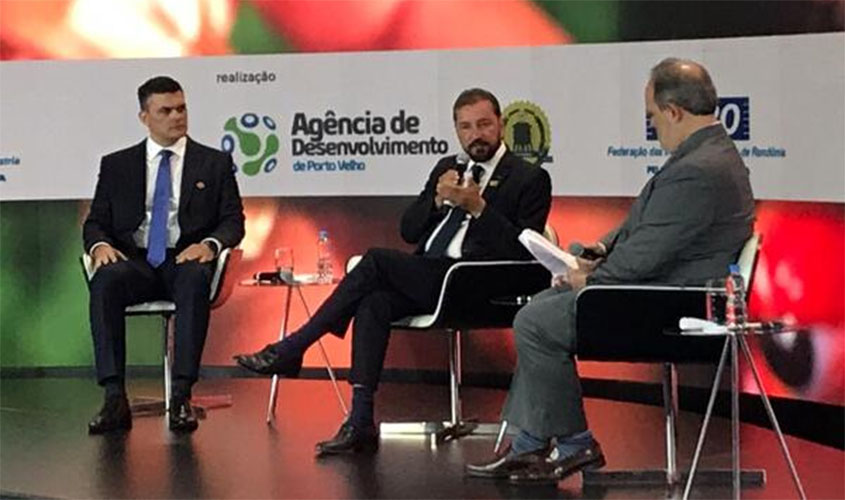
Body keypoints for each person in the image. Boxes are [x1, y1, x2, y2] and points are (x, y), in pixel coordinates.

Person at [466, 58, 755, 483]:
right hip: (660, 291)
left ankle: (573, 443)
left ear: (674, 111)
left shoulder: (699, 170)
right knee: (542, 307)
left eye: (653, 117)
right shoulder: (705, 155)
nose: (652, 127)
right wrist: (600, 249)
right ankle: (530, 443)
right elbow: (646, 224)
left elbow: (647, 256)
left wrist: (591, 279)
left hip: (670, 308)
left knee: (535, 321)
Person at [235, 88, 552, 456]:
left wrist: (478, 208)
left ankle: (293, 346)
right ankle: (360, 421)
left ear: (501, 123)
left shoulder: (529, 178)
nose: (475, 135)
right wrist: (437, 199)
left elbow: (523, 251)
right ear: (456, 130)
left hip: (476, 284)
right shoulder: (448, 169)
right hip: (431, 276)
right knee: (375, 302)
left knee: (375, 261)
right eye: (466, 127)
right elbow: (409, 231)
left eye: (483, 124)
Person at [83, 76, 245, 434]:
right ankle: (114, 397)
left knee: (194, 279)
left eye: (181, 108)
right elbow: (95, 222)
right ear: (144, 117)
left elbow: (233, 221)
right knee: (106, 281)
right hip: (136, 261)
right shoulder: (117, 165)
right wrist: (100, 246)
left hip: (185, 259)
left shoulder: (214, 163)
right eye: (166, 111)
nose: (177, 117)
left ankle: (182, 396)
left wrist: (210, 245)